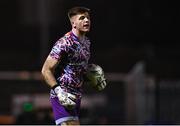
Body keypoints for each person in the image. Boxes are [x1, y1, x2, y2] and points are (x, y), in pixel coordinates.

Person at [41, 6, 91, 125]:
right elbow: (46, 70)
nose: (87, 20)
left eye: (88, 18)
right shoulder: (64, 43)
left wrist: (90, 76)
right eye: (82, 18)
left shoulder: (87, 42)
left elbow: (77, 70)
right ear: (73, 23)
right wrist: (59, 92)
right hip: (63, 96)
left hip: (77, 97)